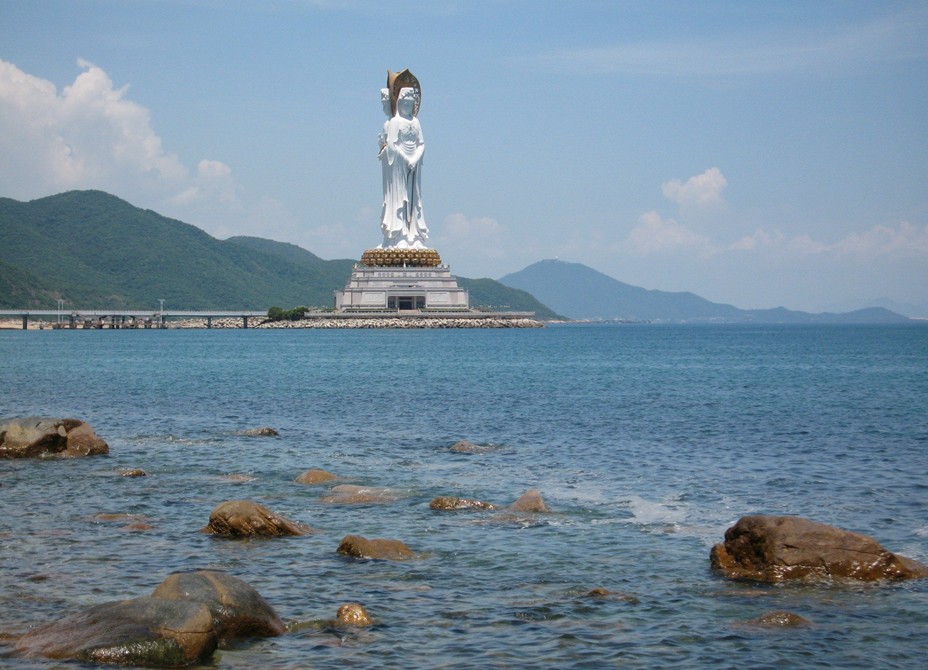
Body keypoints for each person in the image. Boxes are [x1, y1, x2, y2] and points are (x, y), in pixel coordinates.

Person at [379, 87, 427, 248]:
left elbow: (421, 143)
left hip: (414, 164)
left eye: (410, 103)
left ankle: (414, 236)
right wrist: (406, 158)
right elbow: (392, 144)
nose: (408, 105)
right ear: (399, 103)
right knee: (399, 197)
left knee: (414, 200)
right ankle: (398, 235)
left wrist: (415, 158)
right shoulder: (395, 122)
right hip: (399, 164)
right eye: (405, 102)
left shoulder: (416, 122)